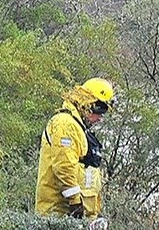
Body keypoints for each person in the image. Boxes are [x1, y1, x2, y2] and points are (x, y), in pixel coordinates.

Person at [36, 78, 115, 218]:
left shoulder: (77, 126)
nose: (100, 118)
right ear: (88, 104)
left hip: (73, 215)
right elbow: (64, 166)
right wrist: (75, 201)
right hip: (59, 214)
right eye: (100, 110)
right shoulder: (65, 124)